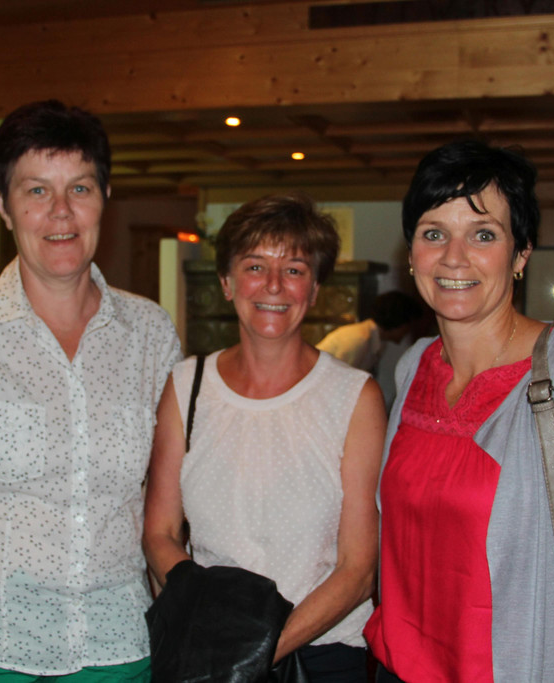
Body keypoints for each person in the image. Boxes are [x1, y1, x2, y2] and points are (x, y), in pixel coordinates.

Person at [0, 100, 181, 682]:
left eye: (80, 188)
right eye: (37, 190)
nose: (61, 211)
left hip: (121, 645)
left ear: (105, 197)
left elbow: (164, 502)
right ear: (3, 205)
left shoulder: (150, 332)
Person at [363, 140, 554, 682]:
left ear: (521, 254)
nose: (454, 257)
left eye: (483, 234)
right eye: (434, 233)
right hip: (395, 669)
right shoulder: (412, 368)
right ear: (411, 253)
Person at [143, 193, 387, 682]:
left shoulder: (354, 397)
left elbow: (358, 570)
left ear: (314, 289)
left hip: (320, 655)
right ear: (226, 282)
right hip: (209, 650)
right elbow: (160, 533)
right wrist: (214, 631)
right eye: (255, 266)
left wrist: (254, 652)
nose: (274, 284)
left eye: (294, 270)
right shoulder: (187, 386)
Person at [316, 291, 422, 373]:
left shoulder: (378, 341)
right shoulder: (359, 339)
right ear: (399, 320)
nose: (408, 331)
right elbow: (338, 378)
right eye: (409, 325)